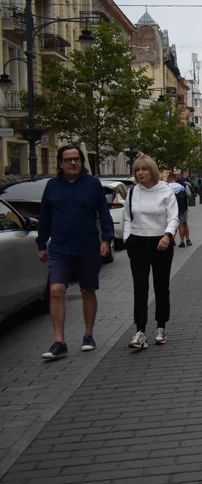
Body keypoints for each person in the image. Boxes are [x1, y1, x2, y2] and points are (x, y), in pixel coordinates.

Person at [35, 145, 114, 360]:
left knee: (87, 290)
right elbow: (45, 218)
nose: (73, 163)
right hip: (60, 247)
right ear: (60, 163)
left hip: (87, 245)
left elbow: (104, 213)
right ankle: (59, 341)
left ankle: (88, 335)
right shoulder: (53, 186)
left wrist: (106, 239)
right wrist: (41, 244)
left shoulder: (92, 184)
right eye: (68, 160)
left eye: (76, 159)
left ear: (81, 162)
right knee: (56, 290)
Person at [126, 156, 179, 349]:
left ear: (153, 171)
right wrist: (127, 239)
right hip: (138, 242)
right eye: (137, 170)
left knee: (161, 285)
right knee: (140, 287)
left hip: (161, 243)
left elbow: (174, 216)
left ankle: (161, 326)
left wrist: (168, 234)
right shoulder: (133, 192)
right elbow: (127, 218)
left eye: (144, 169)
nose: (140, 173)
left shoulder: (166, 191)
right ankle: (140, 330)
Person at [167, 172, 191, 248]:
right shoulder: (183, 186)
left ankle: (172, 240)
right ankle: (183, 241)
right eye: (176, 175)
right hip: (182, 208)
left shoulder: (167, 187)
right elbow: (189, 195)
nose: (177, 176)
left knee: (171, 224)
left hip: (171, 208)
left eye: (178, 174)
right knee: (182, 224)